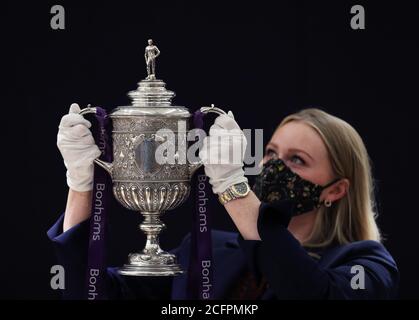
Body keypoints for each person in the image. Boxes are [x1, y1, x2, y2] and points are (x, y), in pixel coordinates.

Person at [49, 104, 399, 299]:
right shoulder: (208, 249)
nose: (275, 167)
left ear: (335, 190)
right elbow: (91, 292)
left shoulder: (366, 266)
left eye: (297, 160)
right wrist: (82, 183)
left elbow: (310, 293)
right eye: (271, 153)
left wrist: (232, 187)